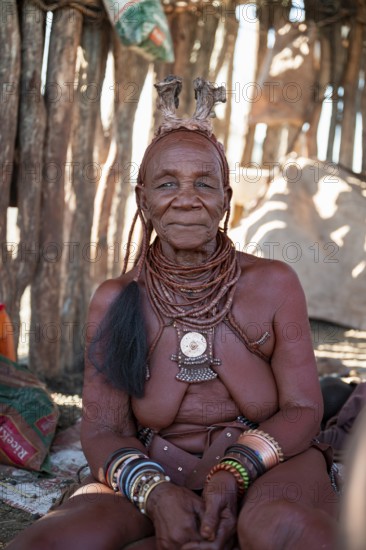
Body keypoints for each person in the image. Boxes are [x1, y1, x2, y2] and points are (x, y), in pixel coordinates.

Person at [8, 76, 339, 550]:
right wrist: (156, 492)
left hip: (270, 463)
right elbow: (103, 429)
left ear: (226, 199)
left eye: (204, 183)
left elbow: (305, 409)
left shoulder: (274, 284)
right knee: (65, 538)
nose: (186, 198)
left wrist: (234, 470)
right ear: (143, 199)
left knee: (278, 526)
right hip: (153, 468)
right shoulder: (116, 298)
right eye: (167, 184)